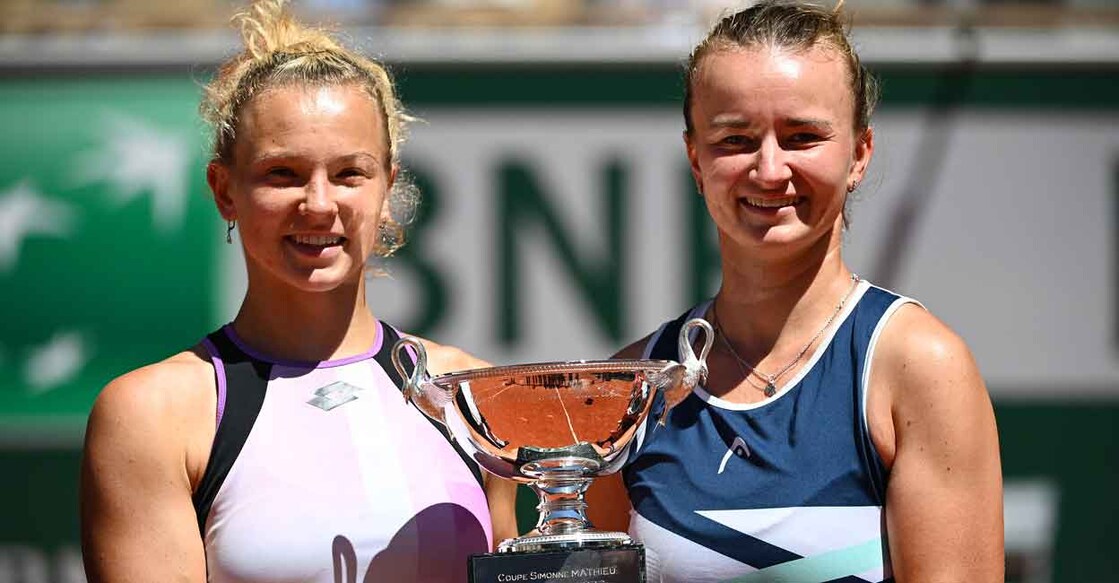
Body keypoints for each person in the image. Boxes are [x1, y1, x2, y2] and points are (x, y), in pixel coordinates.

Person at [78, 1, 516, 580]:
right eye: (281, 174)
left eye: (349, 174)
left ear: (388, 186)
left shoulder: (474, 394)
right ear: (224, 190)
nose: (318, 203)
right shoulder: (153, 415)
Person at [596, 1, 1005, 581]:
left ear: (860, 154)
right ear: (695, 159)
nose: (769, 169)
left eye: (802, 136)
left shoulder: (918, 368)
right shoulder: (631, 387)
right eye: (735, 139)